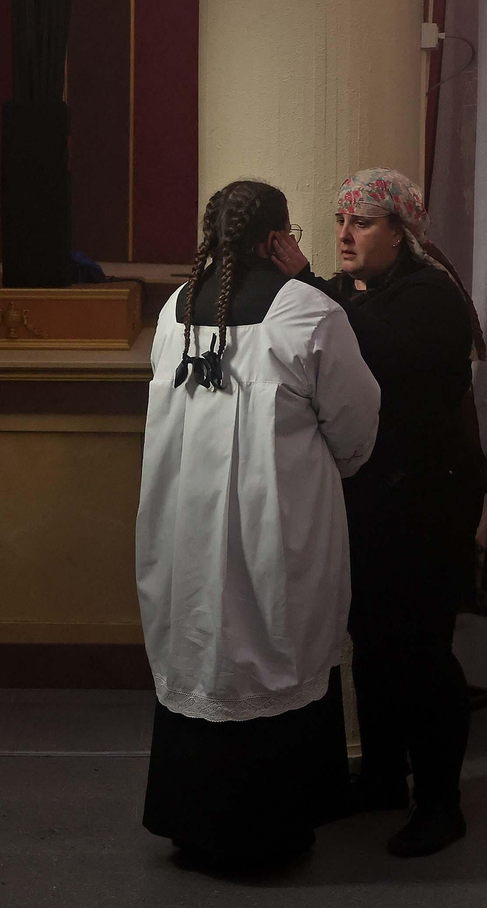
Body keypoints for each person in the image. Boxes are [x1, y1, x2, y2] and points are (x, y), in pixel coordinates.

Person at [136, 179, 382, 863]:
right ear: (278, 238)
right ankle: (269, 831)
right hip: (275, 519)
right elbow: (357, 421)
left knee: (203, 644)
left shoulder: (175, 309)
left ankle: (194, 823)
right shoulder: (305, 311)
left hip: (186, 521)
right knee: (275, 636)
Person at [269, 167, 487, 858]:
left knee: (421, 654)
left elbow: (368, 342)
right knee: (371, 643)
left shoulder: (430, 297)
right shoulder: (358, 291)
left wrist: (304, 279)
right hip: (378, 496)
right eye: (339, 221)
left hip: (432, 498)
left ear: (401, 232)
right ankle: (383, 781)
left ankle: (440, 804)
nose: (344, 234)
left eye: (361, 222)